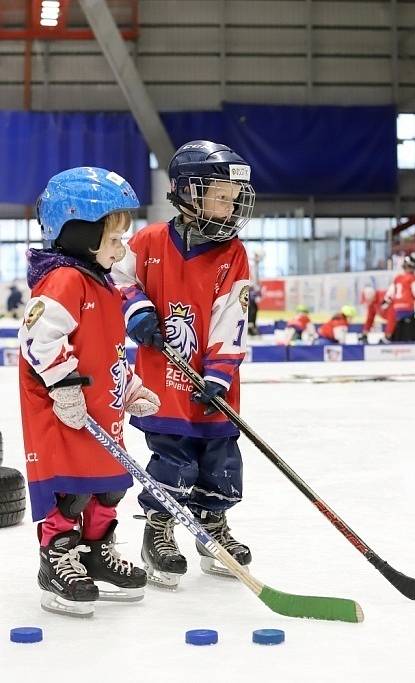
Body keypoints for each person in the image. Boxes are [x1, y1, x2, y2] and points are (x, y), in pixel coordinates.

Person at [111, 140, 255, 588]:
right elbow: (116, 275)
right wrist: (136, 308)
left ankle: (212, 529)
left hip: (213, 383)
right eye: (221, 196)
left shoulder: (232, 253)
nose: (231, 207)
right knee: (172, 460)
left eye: (234, 200)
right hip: (162, 384)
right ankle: (159, 530)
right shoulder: (149, 240)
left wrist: (218, 374)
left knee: (221, 461)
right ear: (188, 192)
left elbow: (233, 315)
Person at [18, 167, 161, 618]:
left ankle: (96, 552)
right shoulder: (64, 280)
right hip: (65, 414)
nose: (121, 250)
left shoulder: (102, 283)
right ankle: (57, 557)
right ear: (79, 232)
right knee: (72, 491)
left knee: (108, 488)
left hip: (102, 412)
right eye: (114, 239)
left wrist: (132, 387)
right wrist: (62, 385)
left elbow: (109, 352)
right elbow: (37, 338)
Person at [383, 255, 415, 342]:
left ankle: (394, 338)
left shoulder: (397, 278)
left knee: (400, 324)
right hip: (408, 307)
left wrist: (386, 302)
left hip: (397, 309)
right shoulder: (413, 278)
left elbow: (389, 294)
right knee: (412, 324)